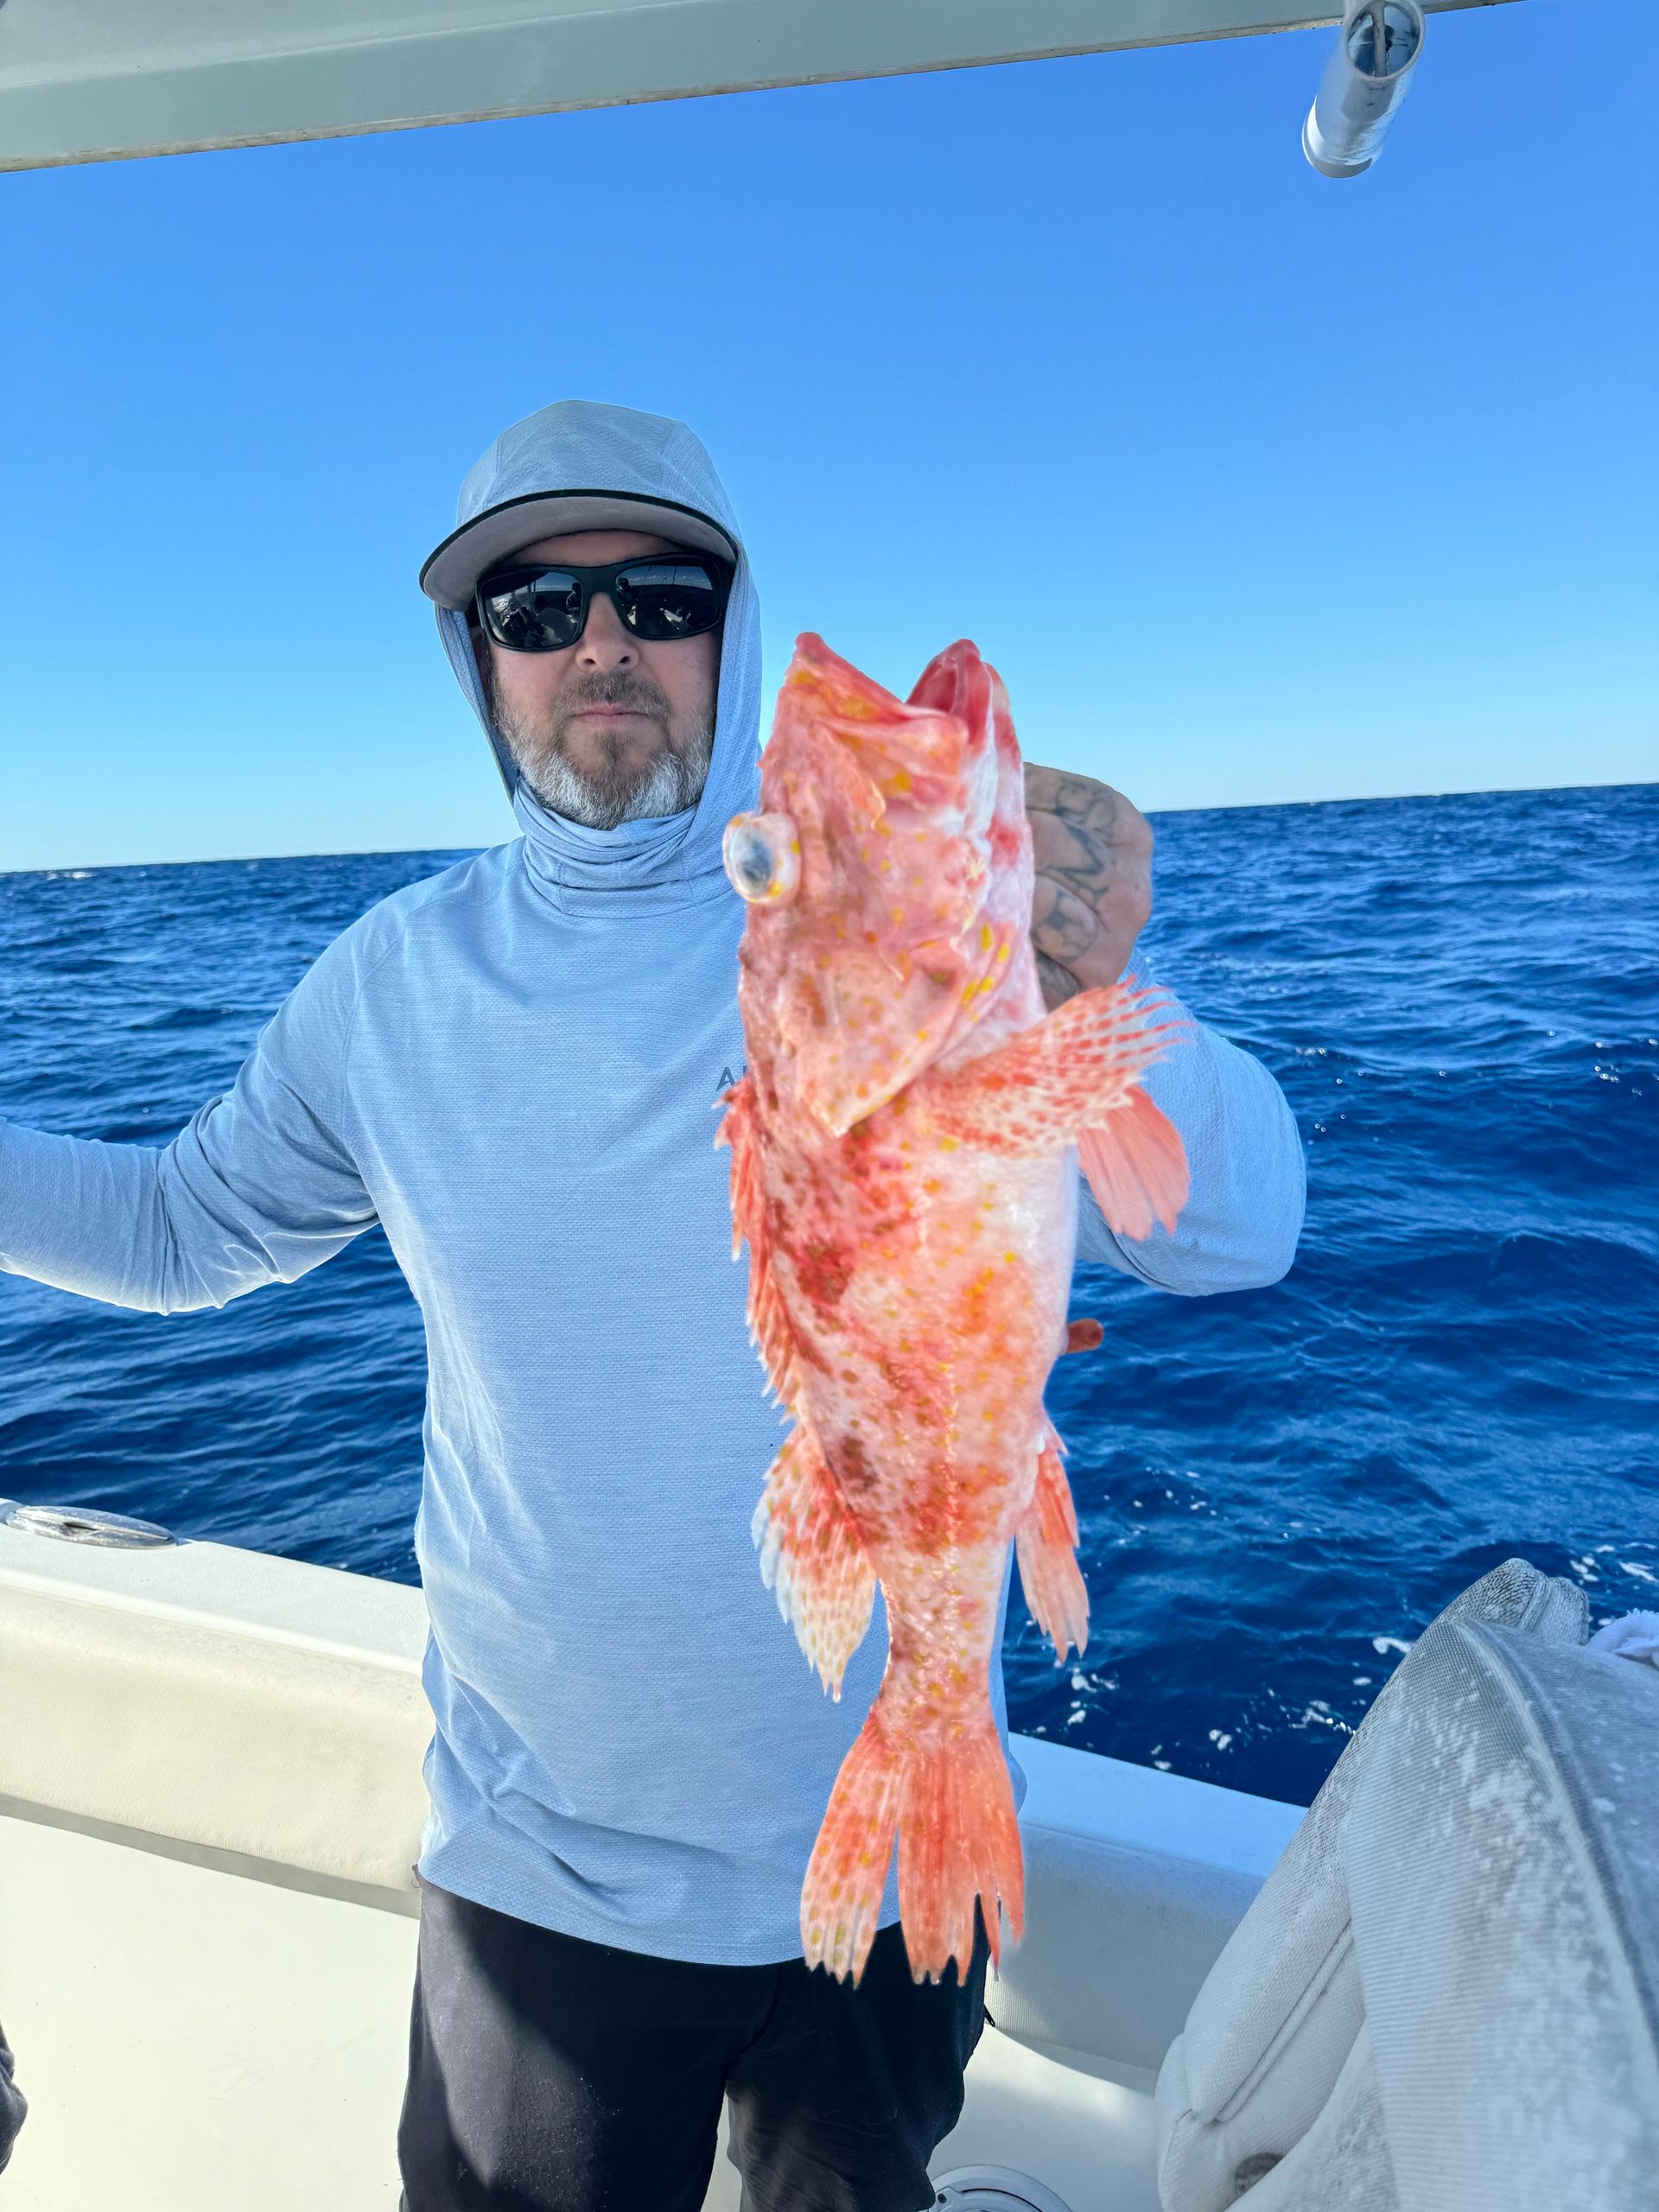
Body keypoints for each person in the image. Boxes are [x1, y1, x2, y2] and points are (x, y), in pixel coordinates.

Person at [0, 399, 1306, 2212]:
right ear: (480, 666)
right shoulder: (385, 986)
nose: (600, 642)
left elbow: (1239, 1231)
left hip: (890, 1854)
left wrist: (1104, 979)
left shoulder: (871, 915)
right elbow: (171, 1225)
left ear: (729, 632)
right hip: (539, 1876)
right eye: (536, 610)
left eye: (659, 596)